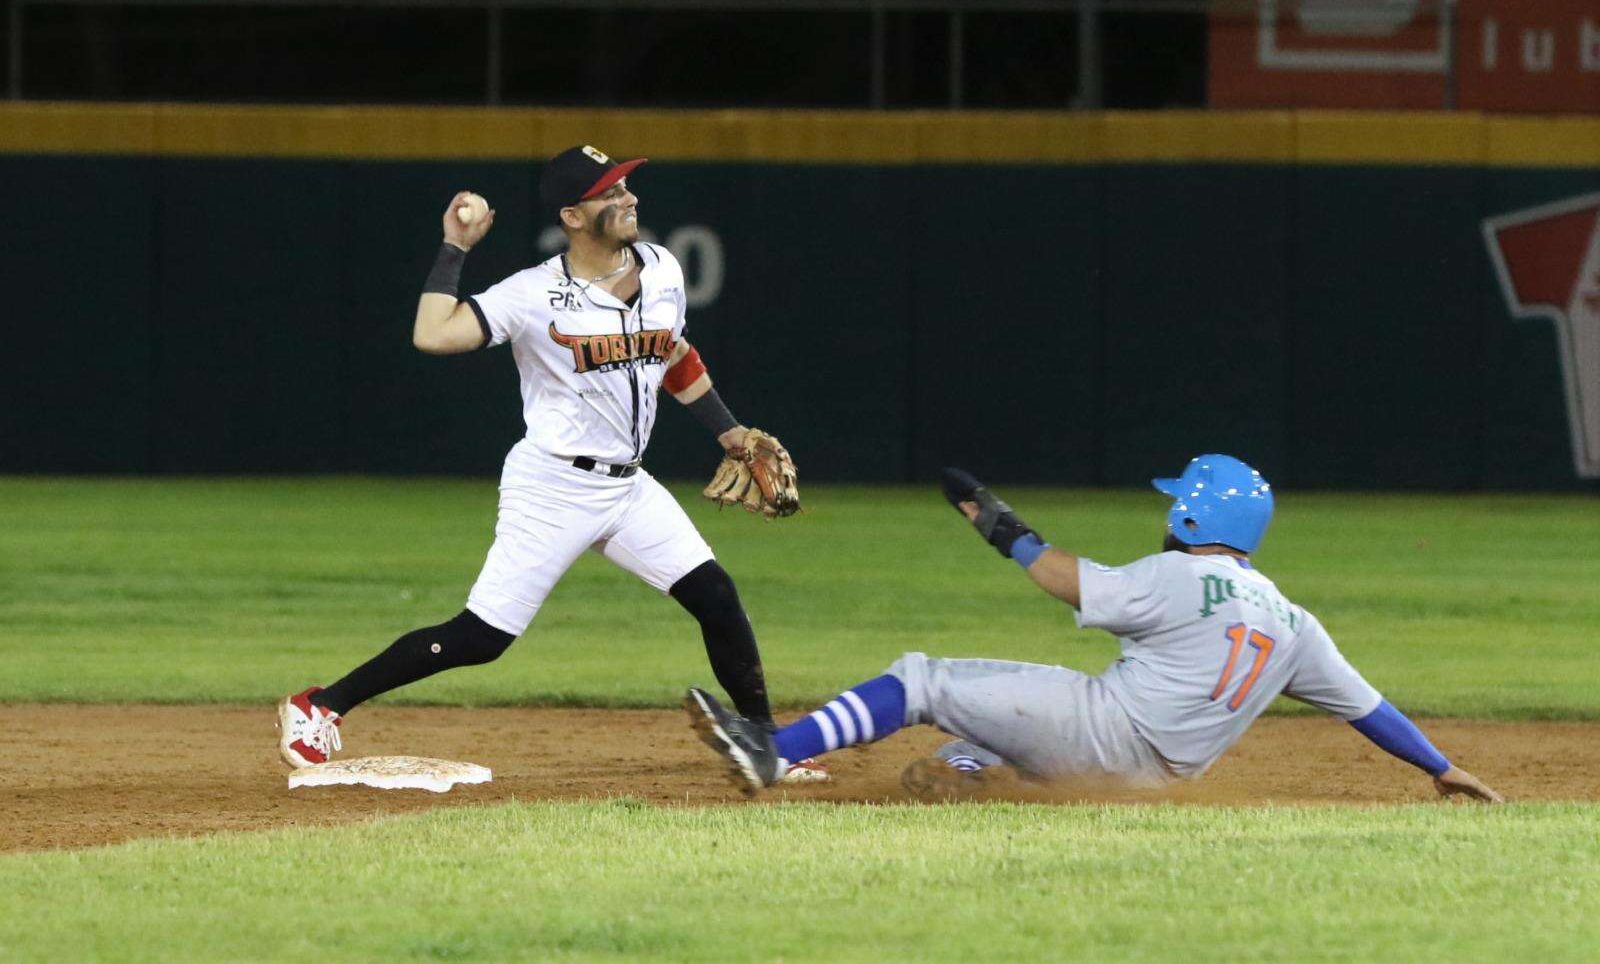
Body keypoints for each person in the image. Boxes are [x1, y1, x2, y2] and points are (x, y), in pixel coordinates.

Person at [278, 144, 824, 783]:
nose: (628, 198)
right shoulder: (533, 294)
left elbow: (673, 355)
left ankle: (767, 743)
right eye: (610, 193)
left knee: (716, 597)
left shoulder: (663, 268)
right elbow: (432, 333)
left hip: (628, 488)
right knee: (482, 638)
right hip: (553, 485)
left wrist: (728, 432)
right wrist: (455, 247)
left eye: (626, 187)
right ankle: (320, 705)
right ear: (572, 215)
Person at [685, 454, 1502, 802]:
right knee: (980, 735)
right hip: (1152, 783)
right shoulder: (1294, 623)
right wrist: (1443, 768)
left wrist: (993, 520)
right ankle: (973, 773)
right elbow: (1372, 712)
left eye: (1177, 503)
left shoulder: (1183, 576)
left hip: (1101, 735)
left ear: (1194, 516)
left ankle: (774, 752)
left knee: (921, 680)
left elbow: (1057, 576)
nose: (1168, 512)